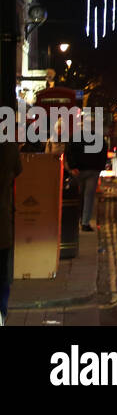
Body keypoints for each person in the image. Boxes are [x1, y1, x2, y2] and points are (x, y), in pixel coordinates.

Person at [65, 136, 109, 232]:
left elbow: (68, 151)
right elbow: (104, 152)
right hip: (93, 170)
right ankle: (85, 223)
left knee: (78, 195)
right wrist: (100, 167)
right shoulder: (98, 138)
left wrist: (72, 166)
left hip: (79, 170)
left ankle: (76, 220)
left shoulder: (75, 138)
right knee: (88, 197)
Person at [1, 130, 22, 323]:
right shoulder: (9, 147)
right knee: (3, 272)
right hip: (3, 219)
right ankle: (2, 311)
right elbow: (18, 170)